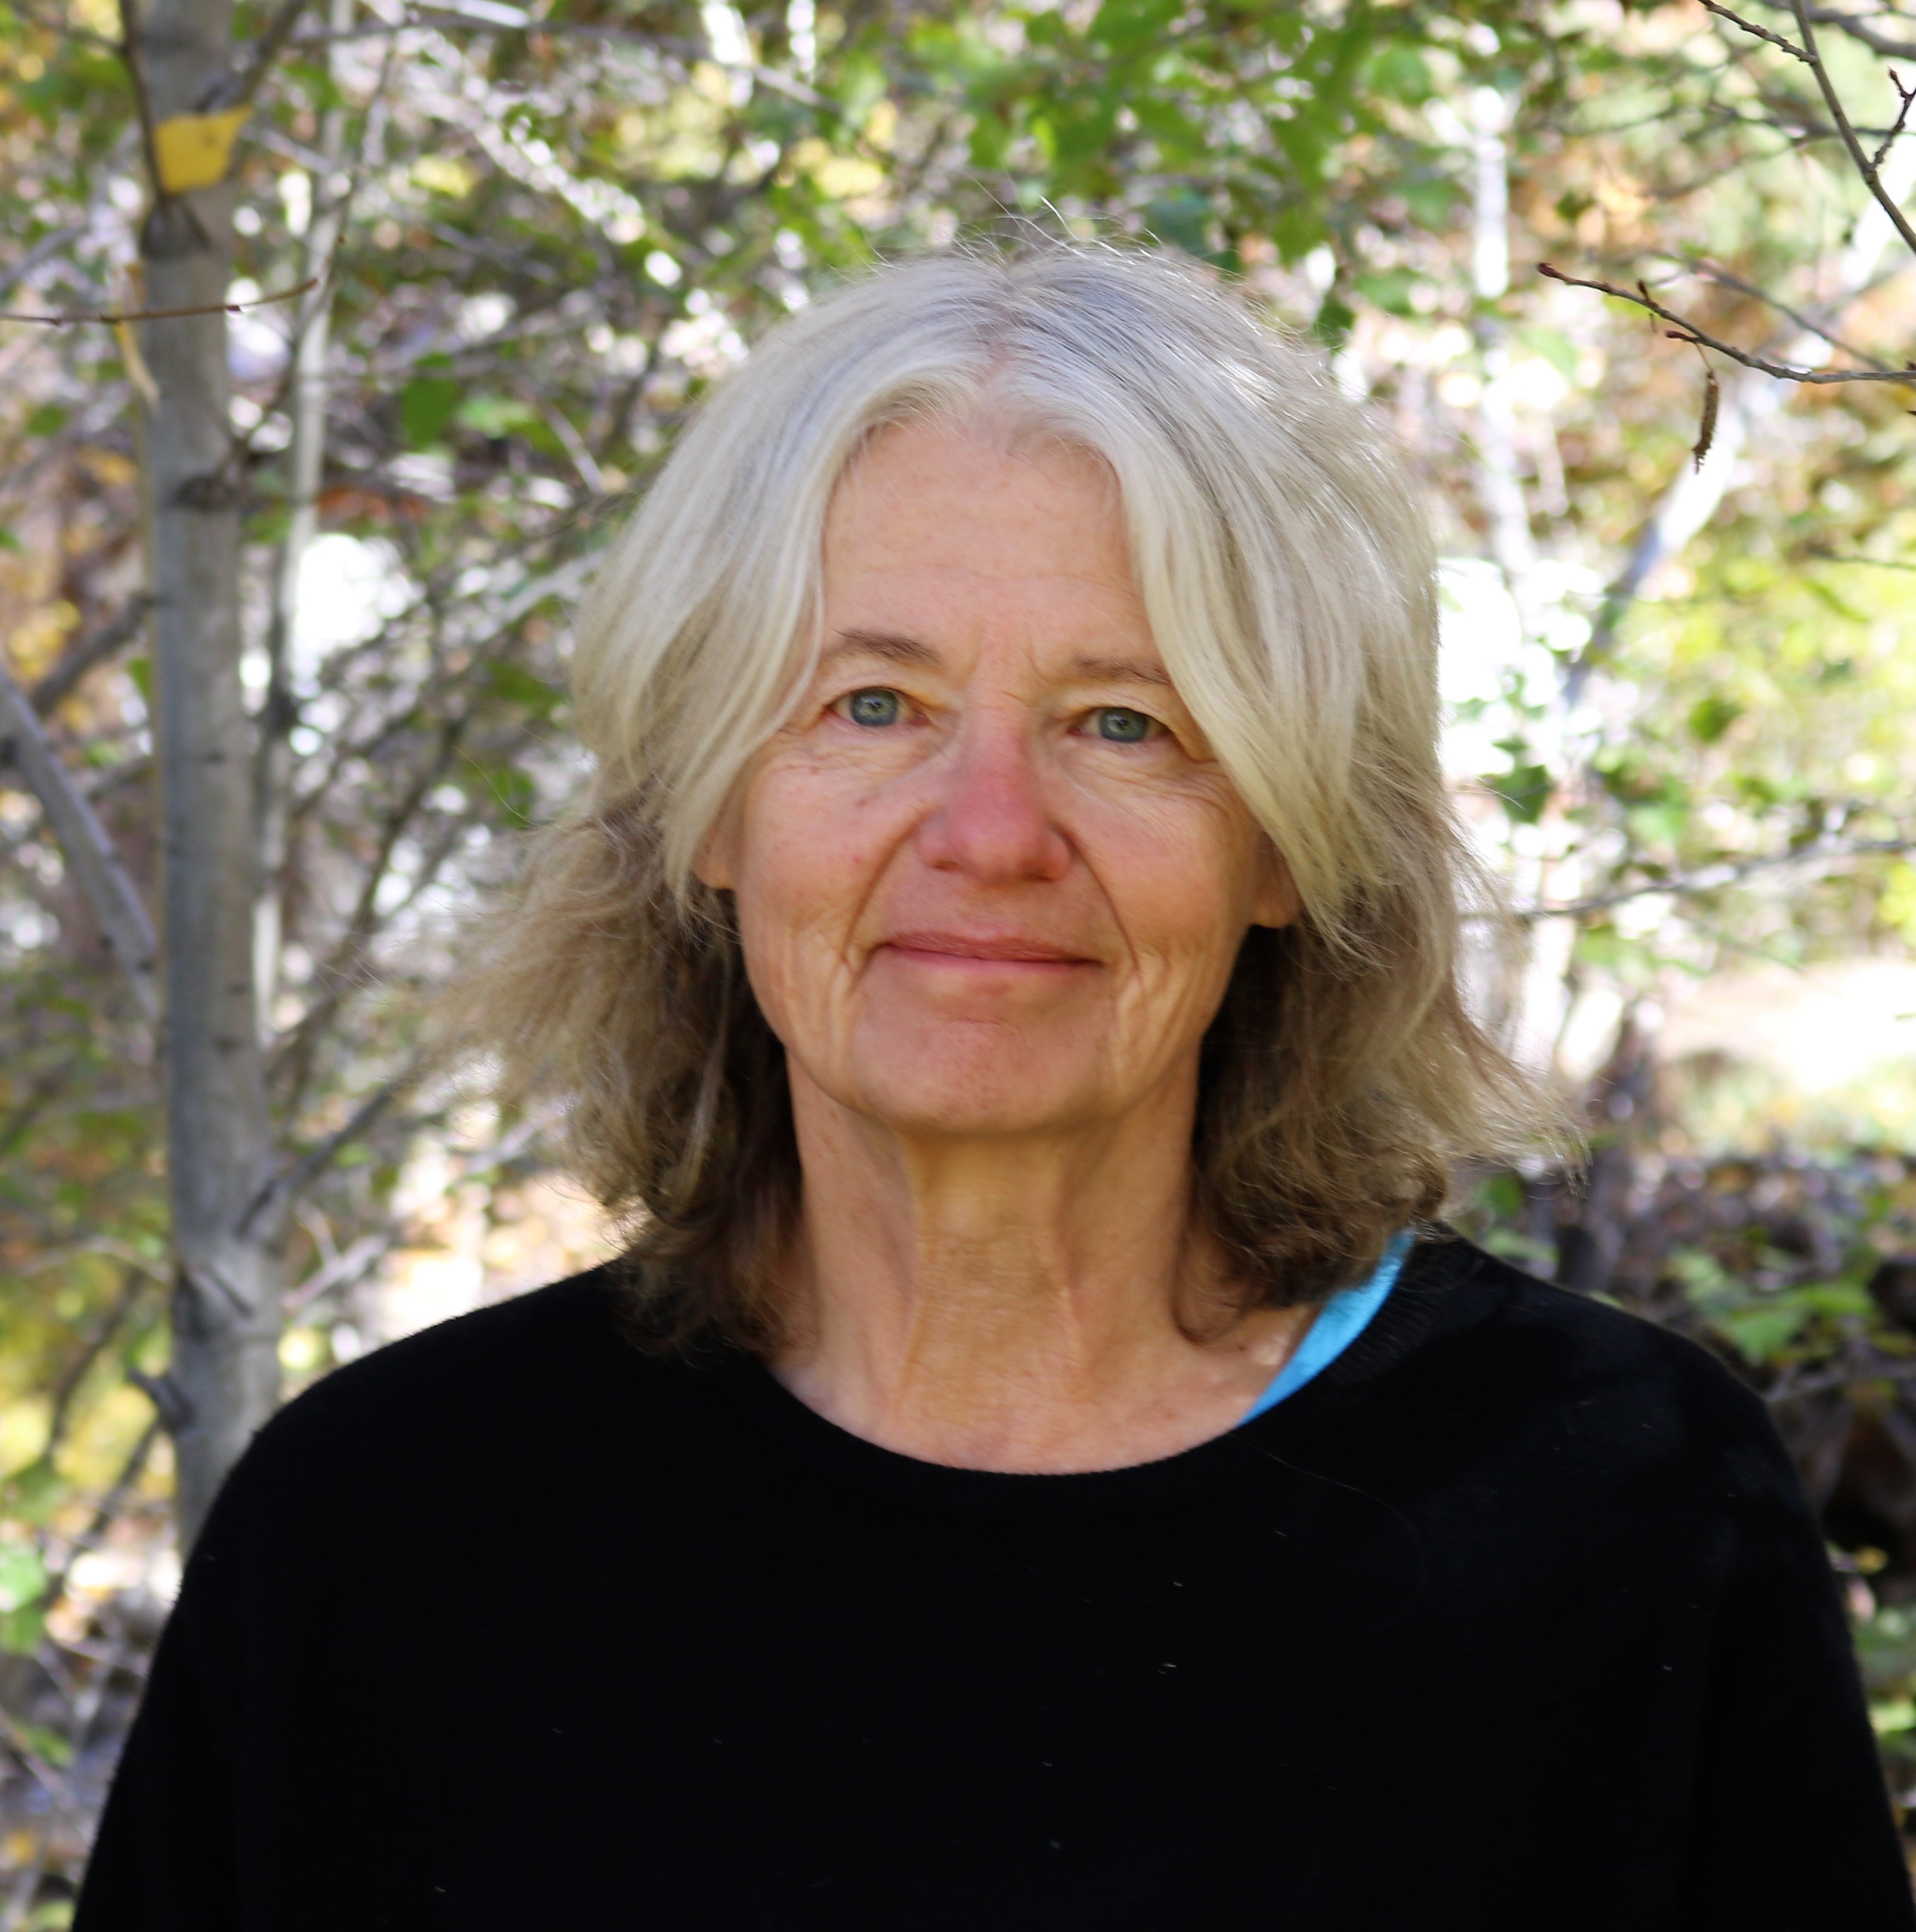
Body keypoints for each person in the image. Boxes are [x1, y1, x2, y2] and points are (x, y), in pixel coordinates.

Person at [76, 247, 1911, 1930]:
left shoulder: (1621, 1515)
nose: (991, 836)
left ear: (1286, 841)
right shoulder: (386, 1545)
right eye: (872, 706)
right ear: (712, 804)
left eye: (1128, 723)